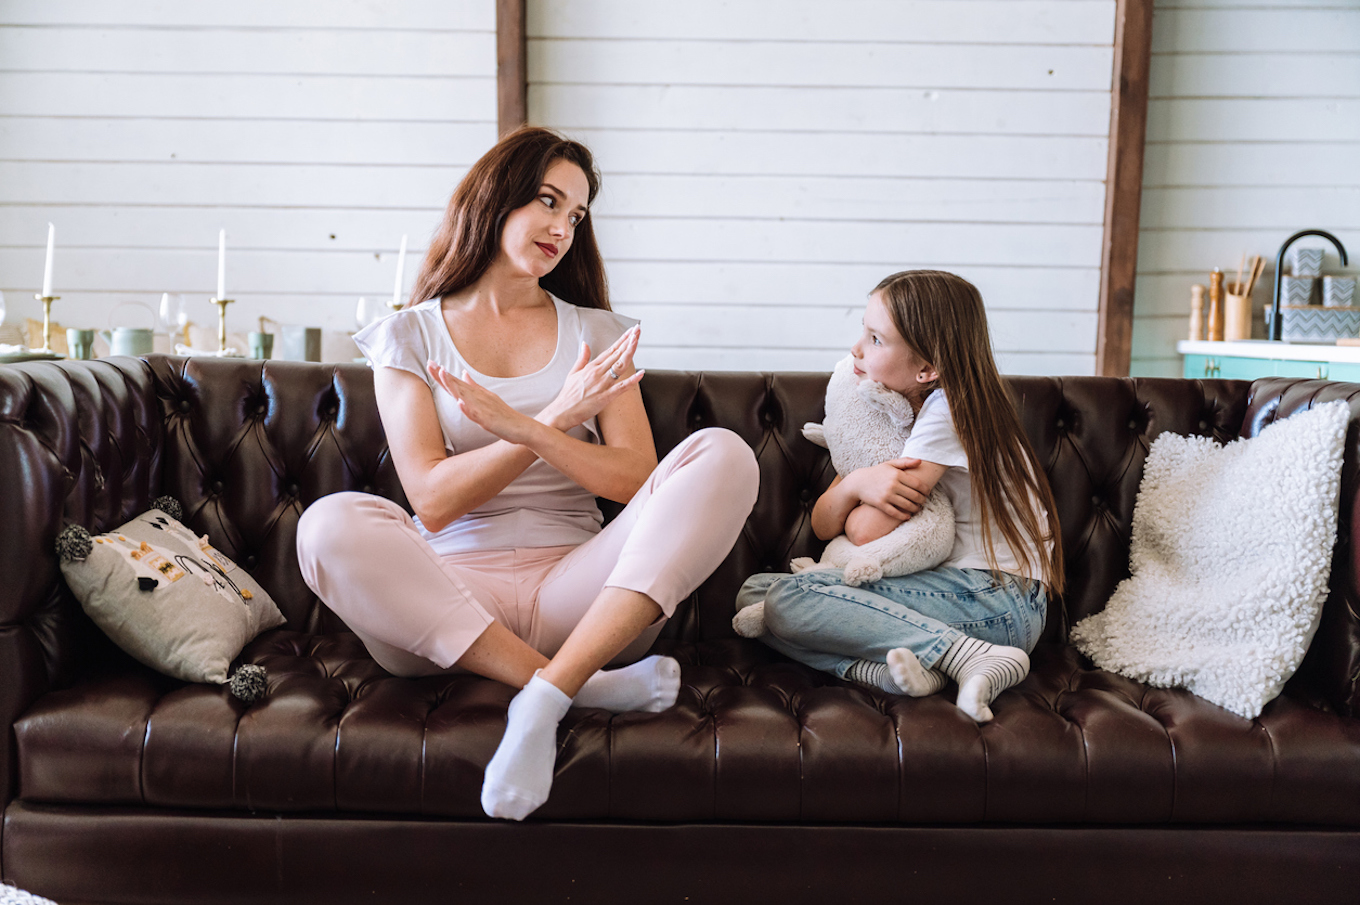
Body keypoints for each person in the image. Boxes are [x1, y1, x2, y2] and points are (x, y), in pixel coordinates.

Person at [296, 127, 759, 820]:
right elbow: (433, 498)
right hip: (449, 604)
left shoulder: (597, 334)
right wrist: (551, 421)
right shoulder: (412, 336)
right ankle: (579, 687)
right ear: (497, 197)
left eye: (575, 215)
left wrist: (527, 425)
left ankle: (548, 693)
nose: (562, 227)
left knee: (724, 452)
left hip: (585, 600)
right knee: (326, 523)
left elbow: (633, 479)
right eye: (547, 201)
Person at [735, 270, 1063, 723]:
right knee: (756, 596)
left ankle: (968, 656)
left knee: (789, 601)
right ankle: (898, 672)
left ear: (927, 369)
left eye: (875, 339)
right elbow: (825, 524)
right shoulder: (897, 412)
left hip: (995, 600)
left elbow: (866, 531)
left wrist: (859, 492)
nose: (856, 349)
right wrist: (854, 484)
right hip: (963, 598)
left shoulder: (948, 409)